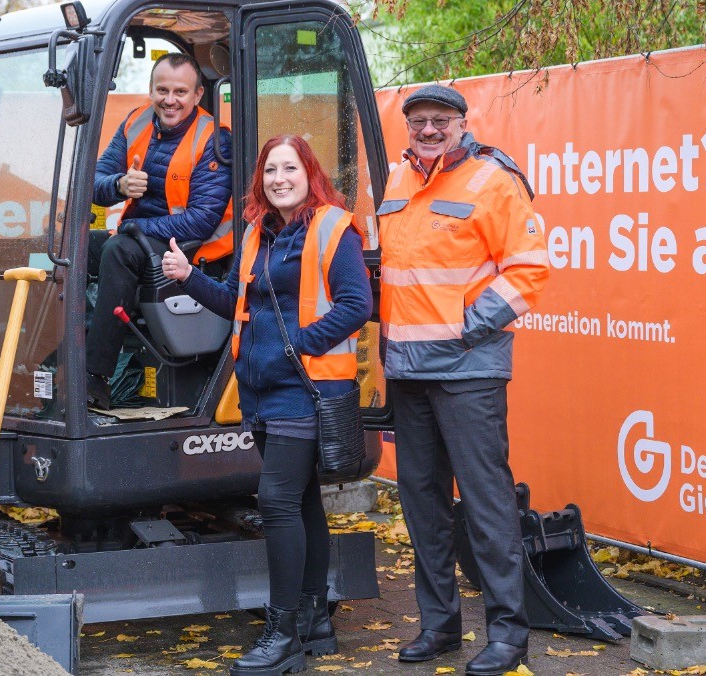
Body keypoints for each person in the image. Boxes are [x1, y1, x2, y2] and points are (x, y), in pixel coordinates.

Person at [162, 135, 371, 675]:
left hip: (305, 389)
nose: (280, 178)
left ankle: (282, 633)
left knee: (276, 501)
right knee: (302, 504)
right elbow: (236, 300)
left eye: (290, 168)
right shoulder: (256, 232)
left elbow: (357, 303)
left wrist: (299, 344)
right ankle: (315, 619)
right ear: (261, 180)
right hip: (259, 391)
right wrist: (191, 278)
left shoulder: (332, 227)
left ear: (309, 173)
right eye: (271, 170)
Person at [376, 84, 550, 676]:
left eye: (439, 120)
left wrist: (465, 329)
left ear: (460, 123)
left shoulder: (492, 180)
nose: (428, 130)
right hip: (407, 371)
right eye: (418, 120)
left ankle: (507, 633)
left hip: (468, 372)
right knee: (422, 503)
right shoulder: (398, 181)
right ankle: (440, 625)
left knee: (485, 503)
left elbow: (529, 269)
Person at [87, 52, 233, 409]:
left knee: (118, 251)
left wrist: (134, 227)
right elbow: (92, 182)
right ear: (151, 90)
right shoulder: (135, 123)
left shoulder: (213, 139)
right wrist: (120, 185)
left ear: (198, 95)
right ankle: (58, 363)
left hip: (192, 248)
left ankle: (94, 378)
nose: (170, 100)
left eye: (180, 92)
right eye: (162, 90)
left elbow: (201, 219)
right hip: (142, 237)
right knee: (71, 248)